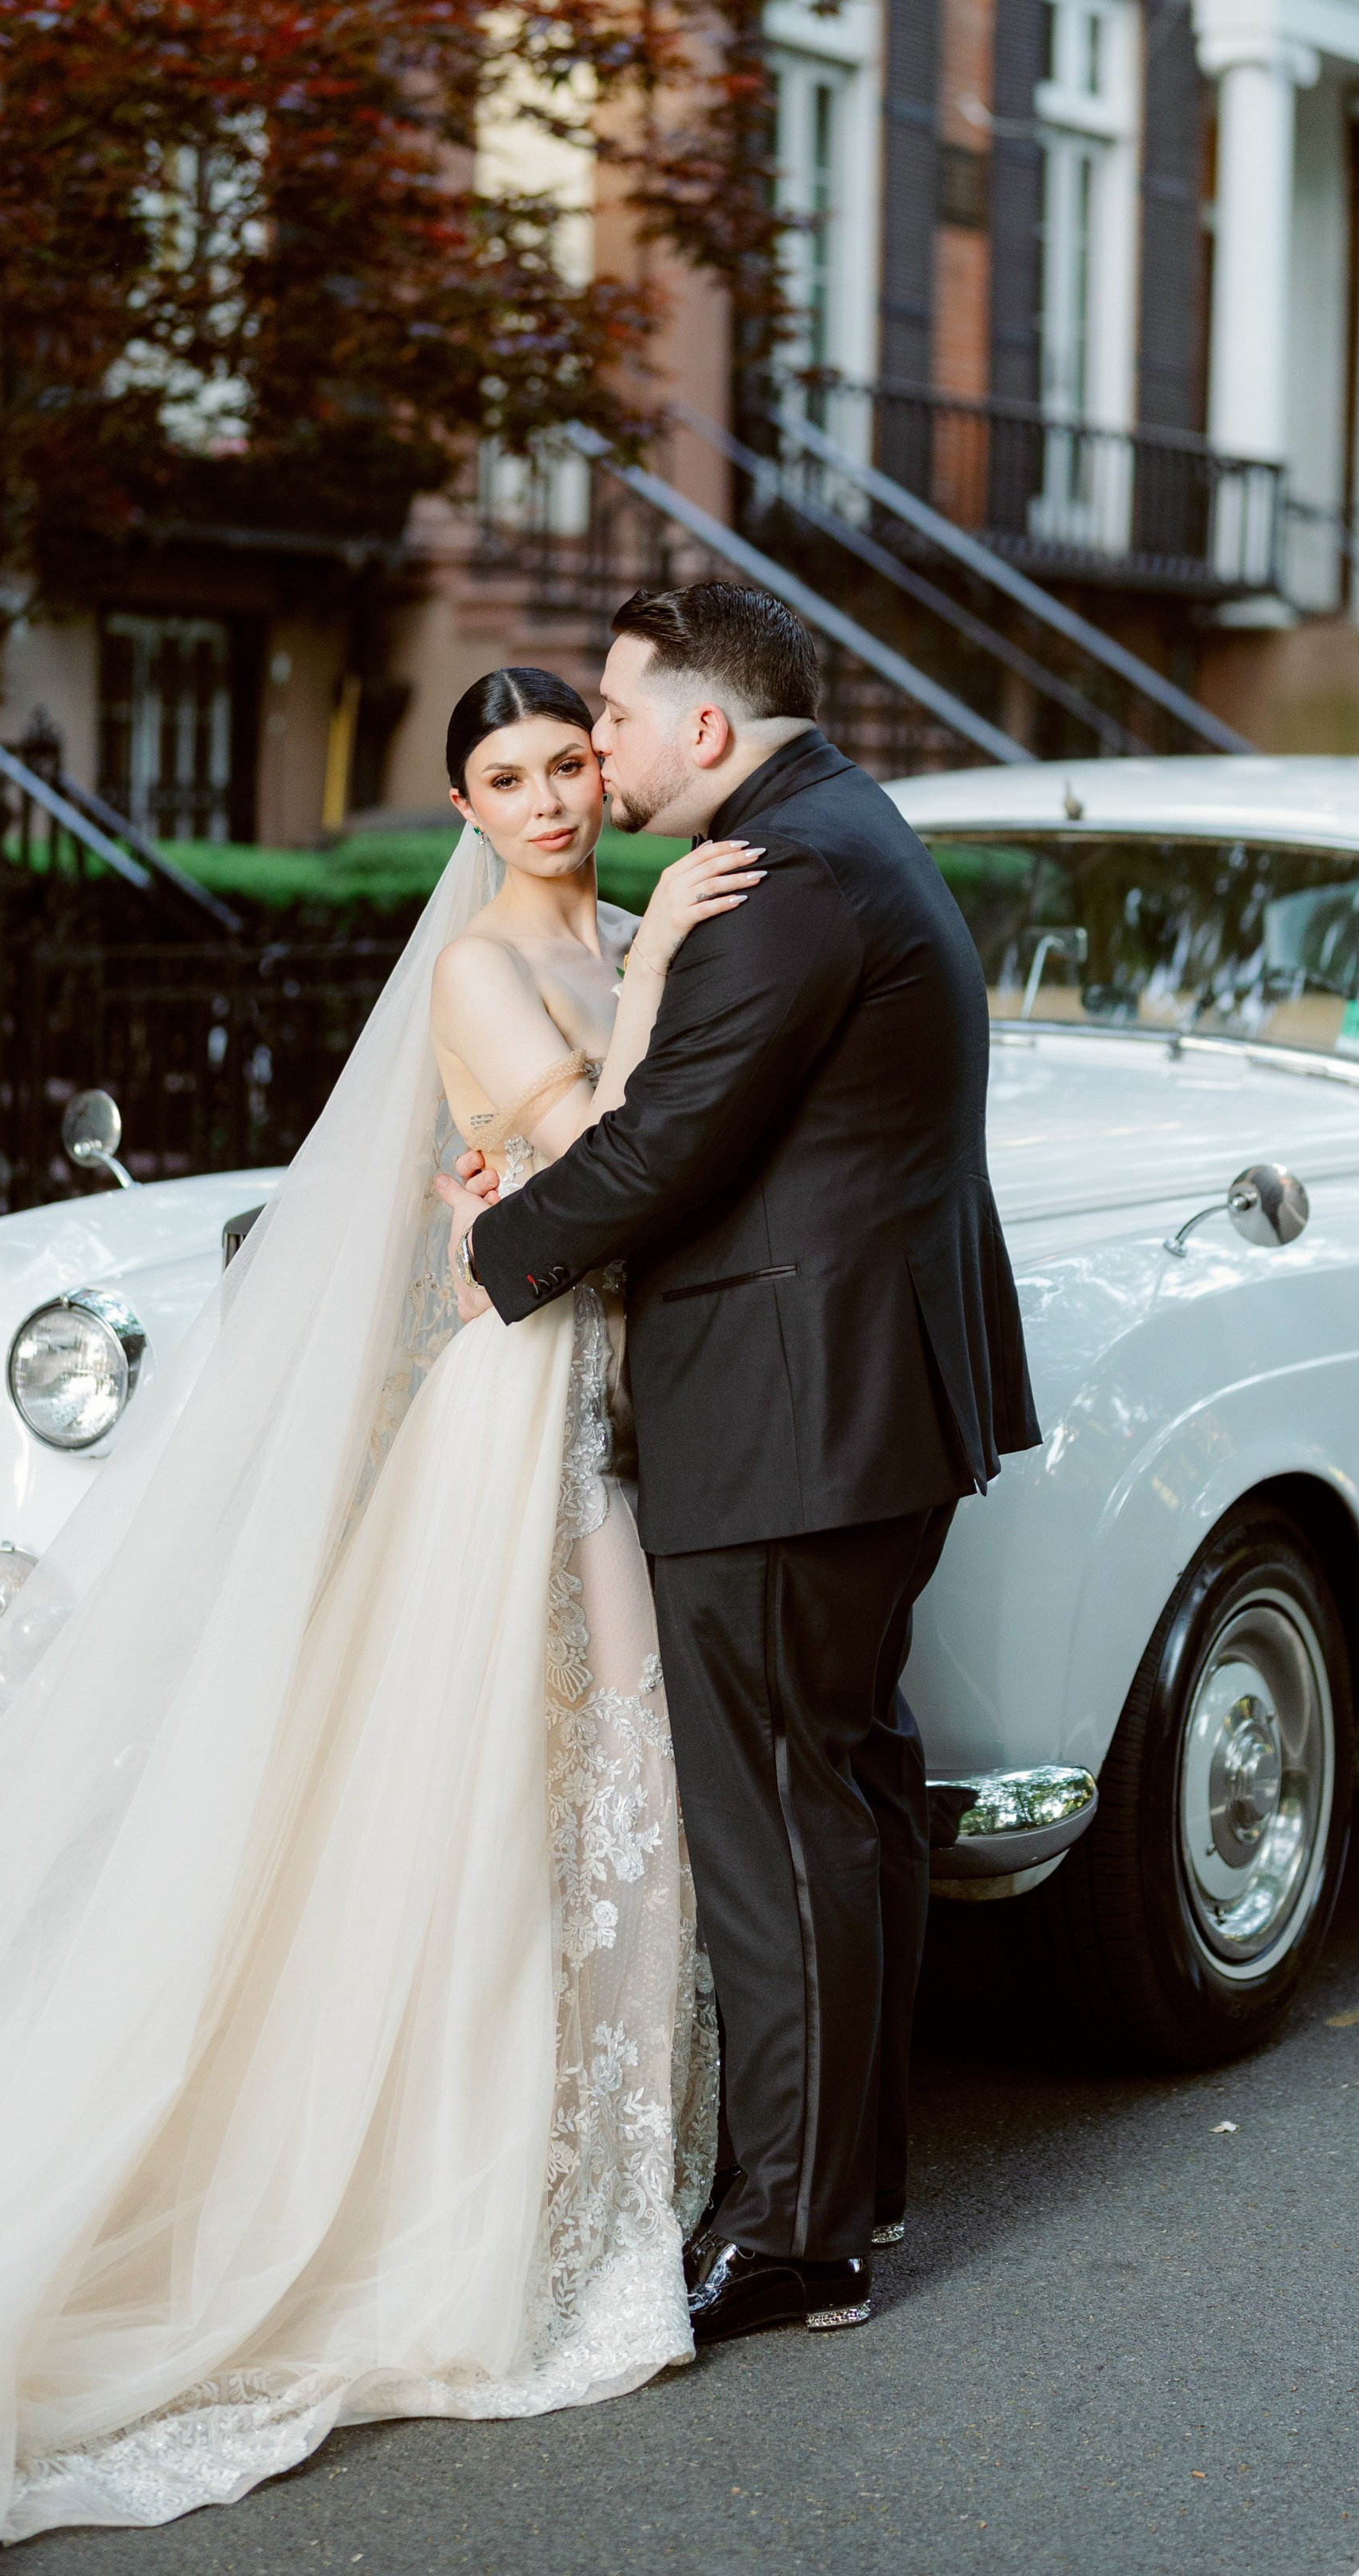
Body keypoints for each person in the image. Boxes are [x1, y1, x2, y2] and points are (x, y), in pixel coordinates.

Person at [0, 665, 756, 2576]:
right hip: (539, 1416)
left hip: (629, 1392)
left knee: (614, 1783)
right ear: (469, 812)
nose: (554, 796)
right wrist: (661, 978)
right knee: (581, 1776)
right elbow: (608, 1180)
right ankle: (514, 2232)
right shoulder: (495, 968)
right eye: (508, 777)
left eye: (572, 759)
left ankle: (611, 2196)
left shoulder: (610, 924)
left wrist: (644, 977)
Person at [435, 581, 1040, 2348]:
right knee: (840, 1800)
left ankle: (789, 2233)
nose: (592, 763)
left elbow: (669, 1147)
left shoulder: (782, 884)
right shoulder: (842, 830)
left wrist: (488, 1258)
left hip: (790, 1419)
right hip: (852, 1404)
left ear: (703, 727)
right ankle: (845, 2196)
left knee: (783, 1824)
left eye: (608, 723)